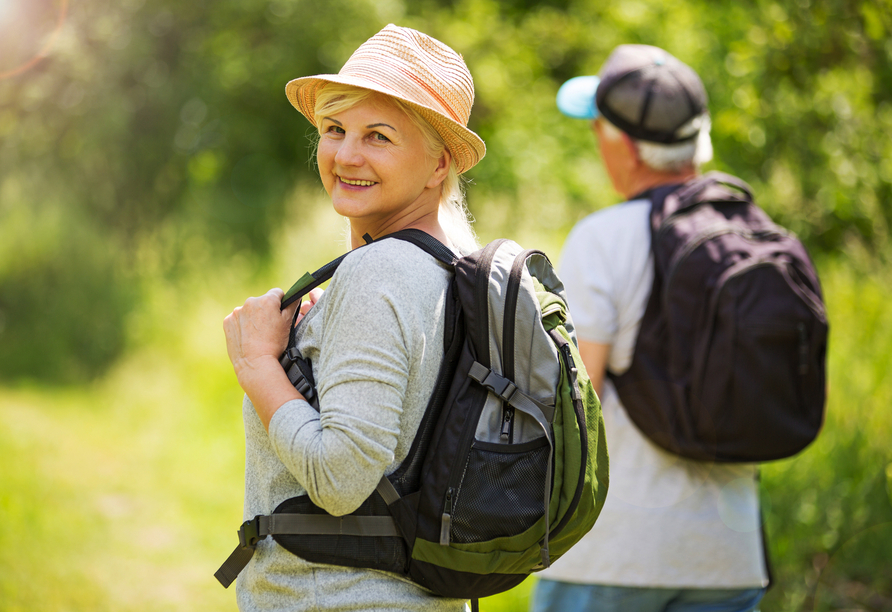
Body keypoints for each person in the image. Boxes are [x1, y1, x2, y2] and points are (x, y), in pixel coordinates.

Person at [222, 24, 485, 611]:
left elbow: (340, 479)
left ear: (439, 162)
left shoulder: (380, 273)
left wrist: (258, 364)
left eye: (379, 136)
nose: (346, 155)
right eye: (335, 130)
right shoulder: (454, 267)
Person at [531, 45, 769, 612]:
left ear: (623, 145)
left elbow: (581, 396)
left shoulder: (604, 236)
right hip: (730, 555)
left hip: (616, 553)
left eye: (598, 129)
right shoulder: (754, 231)